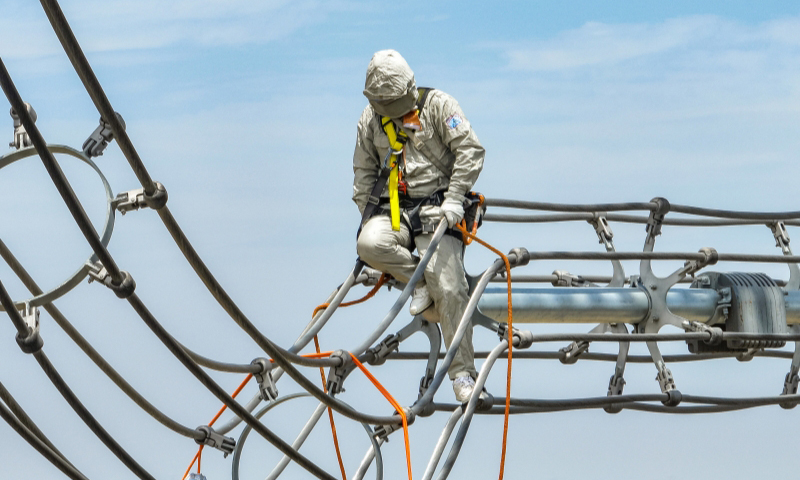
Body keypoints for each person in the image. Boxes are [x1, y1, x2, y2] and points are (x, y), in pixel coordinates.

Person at [352, 50, 485, 402]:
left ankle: (462, 373)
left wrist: (456, 197)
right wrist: (366, 214)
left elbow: (470, 150)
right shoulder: (370, 120)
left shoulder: (439, 107)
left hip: (440, 212)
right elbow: (364, 172)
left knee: (451, 287)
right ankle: (421, 282)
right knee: (369, 244)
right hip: (394, 214)